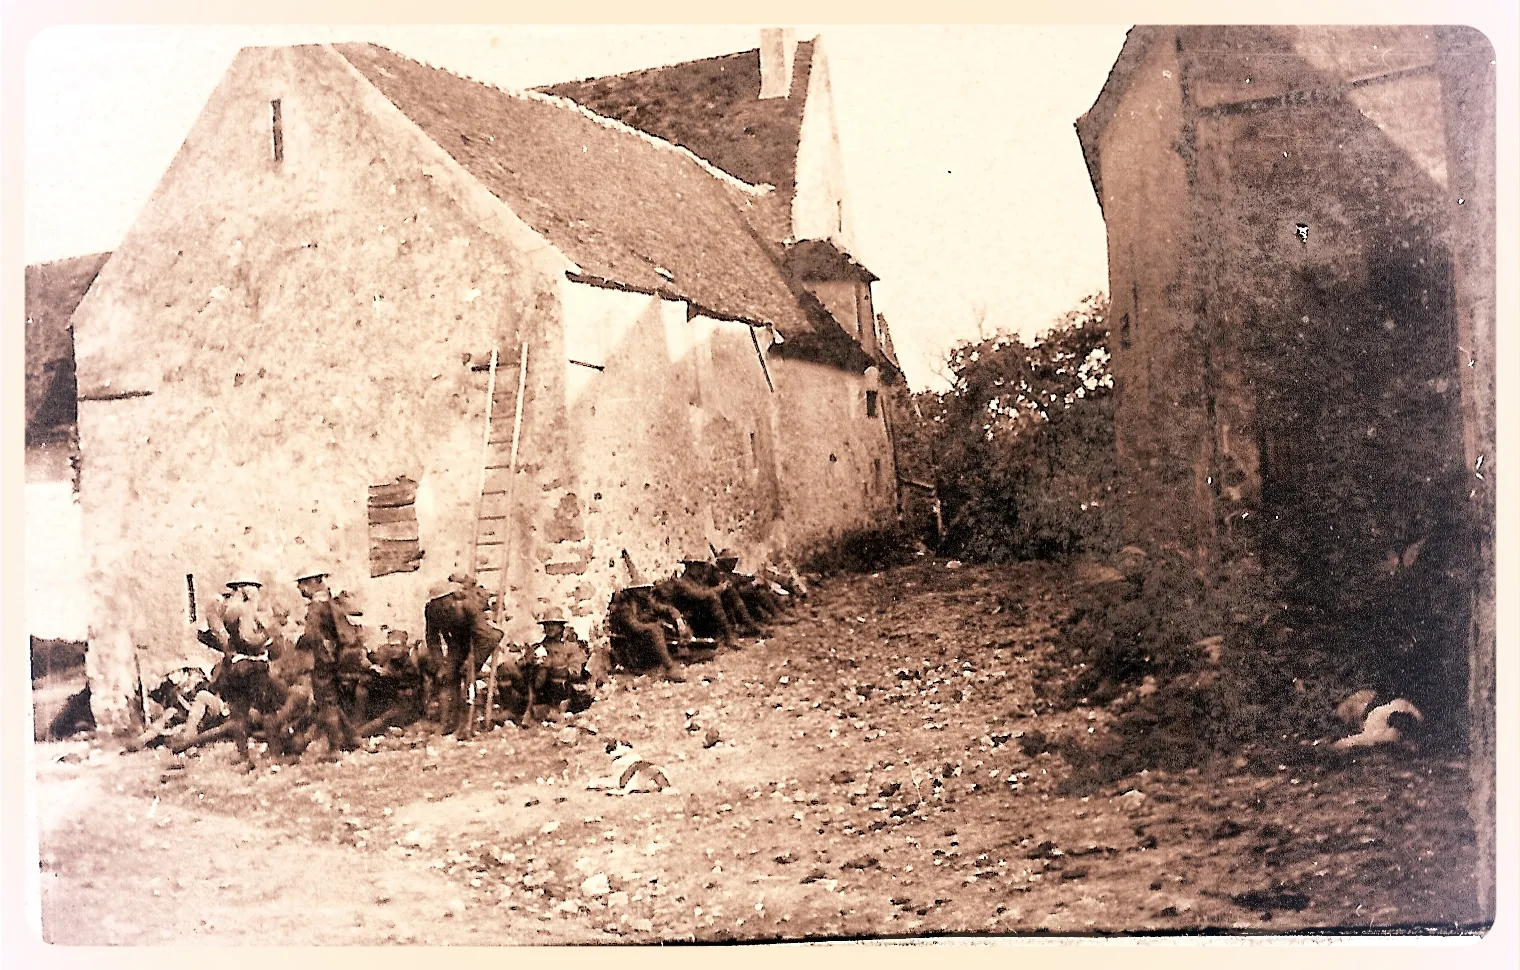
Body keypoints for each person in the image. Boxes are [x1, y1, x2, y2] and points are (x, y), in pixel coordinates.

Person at [203, 578, 287, 770]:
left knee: (238, 713)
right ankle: (274, 755)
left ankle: (244, 758)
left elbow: (226, 640)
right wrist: (268, 634)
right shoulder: (244, 609)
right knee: (267, 710)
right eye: (255, 588)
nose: (257, 592)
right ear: (244, 589)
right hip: (253, 666)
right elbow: (248, 638)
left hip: (235, 665)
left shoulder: (225, 609)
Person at [423, 578, 503, 736]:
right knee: (446, 676)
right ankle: (446, 723)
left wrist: (474, 661)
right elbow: (432, 640)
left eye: (444, 601)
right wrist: (441, 665)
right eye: (438, 603)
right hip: (457, 642)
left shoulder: (467, 605)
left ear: (451, 597)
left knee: (469, 677)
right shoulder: (431, 610)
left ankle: (467, 723)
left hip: (479, 638)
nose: (443, 606)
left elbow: (488, 638)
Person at [294, 567, 360, 758]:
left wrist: (302, 643)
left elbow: (312, 635)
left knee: (326, 703)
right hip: (334, 657)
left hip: (322, 659)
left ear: (313, 582)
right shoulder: (330, 603)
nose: (301, 589)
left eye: (302, 584)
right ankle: (353, 737)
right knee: (332, 700)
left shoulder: (315, 607)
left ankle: (334, 749)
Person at [521, 617, 594, 723]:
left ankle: (556, 709)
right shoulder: (537, 647)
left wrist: (554, 665)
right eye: (547, 625)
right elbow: (523, 666)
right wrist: (531, 662)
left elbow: (575, 672)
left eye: (553, 624)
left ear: (561, 627)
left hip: (563, 690)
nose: (549, 628)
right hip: (539, 691)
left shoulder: (571, 648)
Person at [607, 586, 686, 682]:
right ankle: (669, 668)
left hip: (642, 641)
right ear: (634, 591)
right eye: (644, 589)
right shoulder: (625, 608)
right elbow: (635, 626)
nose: (648, 591)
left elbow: (663, 608)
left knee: (663, 627)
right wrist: (653, 625)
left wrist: (677, 618)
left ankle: (684, 650)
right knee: (655, 630)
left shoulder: (645, 602)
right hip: (631, 647)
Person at [654, 561, 739, 648]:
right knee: (713, 598)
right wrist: (719, 588)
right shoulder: (682, 581)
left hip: (696, 615)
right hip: (688, 618)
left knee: (727, 592)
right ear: (691, 567)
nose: (702, 569)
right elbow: (699, 595)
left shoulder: (697, 580)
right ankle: (728, 636)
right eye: (700, 566)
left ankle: (741, 626)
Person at [715, 549, 785, 625]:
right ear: (724, 563)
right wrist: (753, 583)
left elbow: (743, 578)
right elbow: (738, 591)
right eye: (730, 561)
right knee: (759, 592)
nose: (733, 564)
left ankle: (778, 613)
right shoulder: (722, 575)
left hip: (743, 599)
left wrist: (754, 577)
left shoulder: (732, 574)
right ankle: (775, 615)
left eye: (734, 561)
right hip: (736, 603)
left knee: (761, 589)